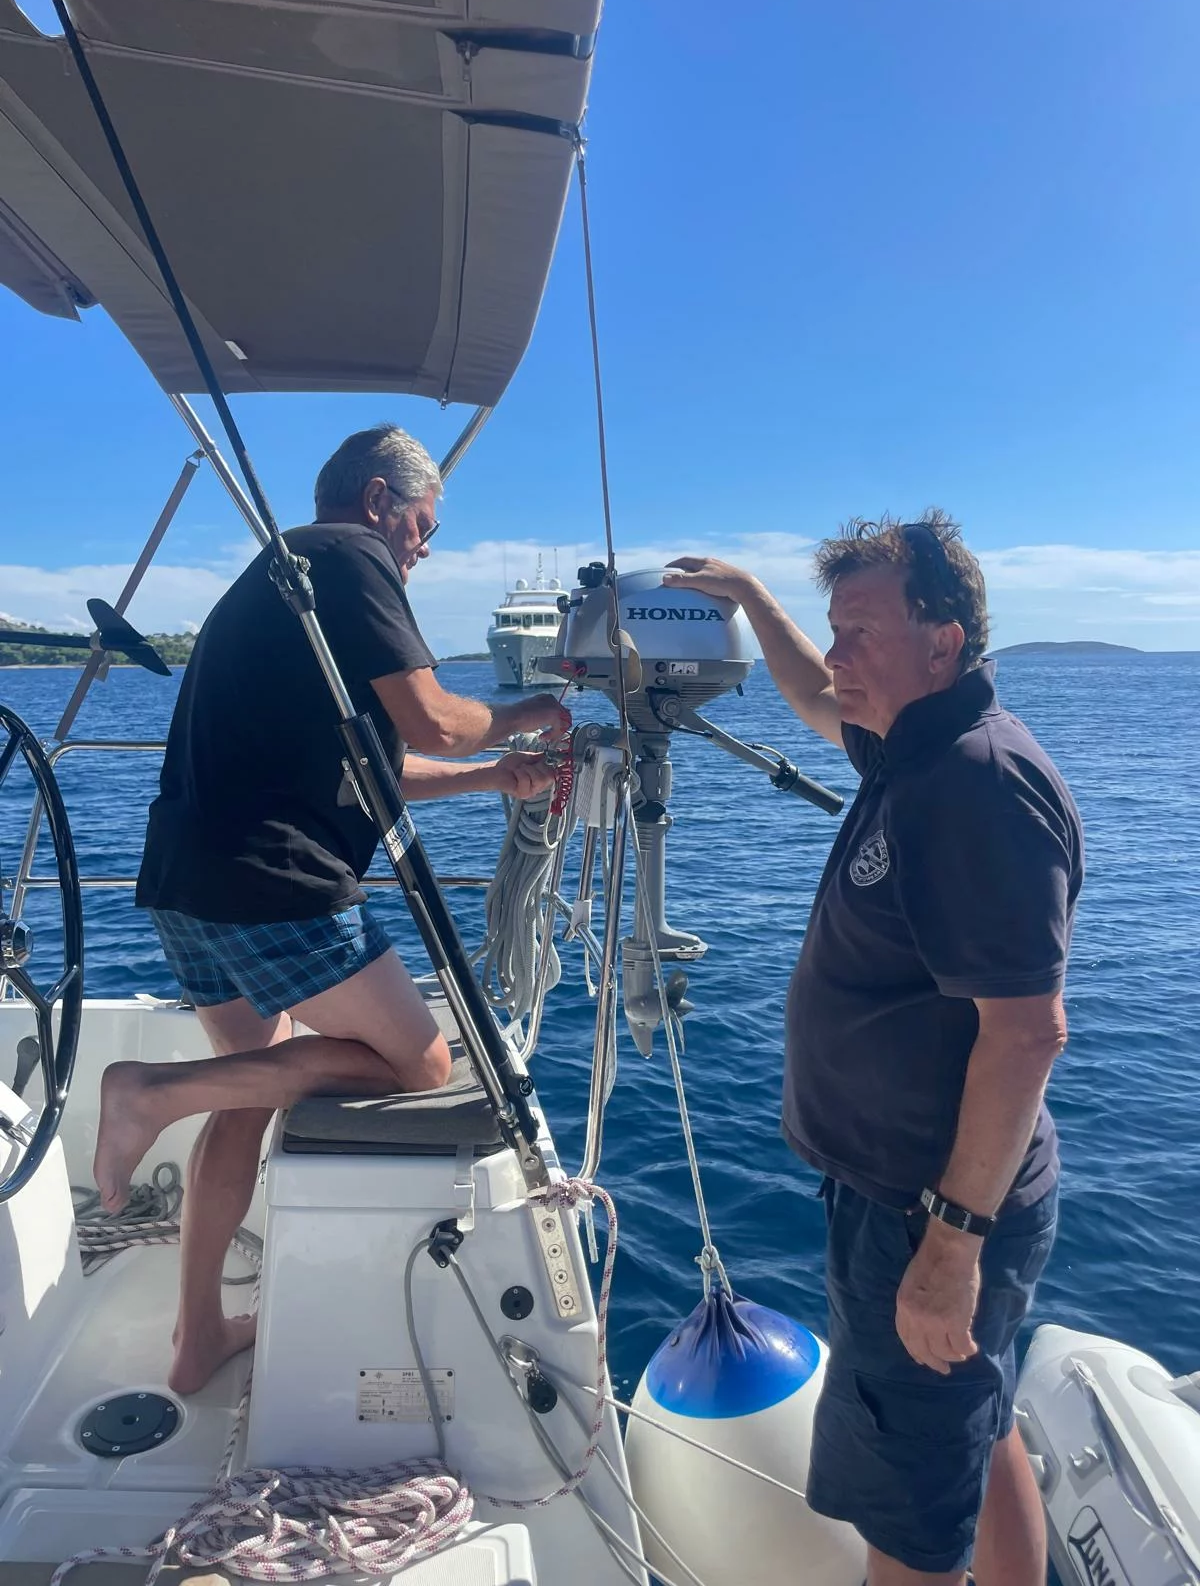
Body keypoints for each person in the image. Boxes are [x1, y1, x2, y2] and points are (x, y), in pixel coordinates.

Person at [92, 424, 570, 1395]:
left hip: (185, 876)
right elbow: (435, 719)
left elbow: (378, 770)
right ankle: (148, 1094)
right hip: (273, 883)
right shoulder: (350, 554)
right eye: (423, 526)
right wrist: (534, 713)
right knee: (419, 1062)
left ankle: (196, 1336)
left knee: (250, 1091)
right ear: (380, 499)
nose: (423, 549)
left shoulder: (287, 581)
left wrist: (494, 777)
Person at [664, 512, 1082, 1586]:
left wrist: (950, 1249)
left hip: (929, 1211)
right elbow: (814, 694)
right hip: (909, 1201)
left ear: (942, 642)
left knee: (910, 1521)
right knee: (977, 1421)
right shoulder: (913, 747)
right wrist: (753, 599)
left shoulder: (976, 783)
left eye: (861, 631)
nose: (837, 652)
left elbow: (1027, 1032)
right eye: (834, 627)